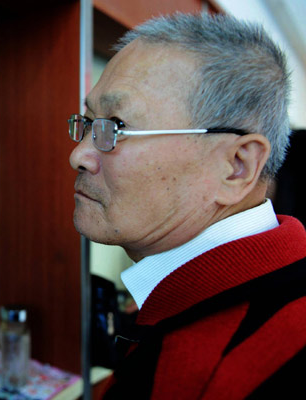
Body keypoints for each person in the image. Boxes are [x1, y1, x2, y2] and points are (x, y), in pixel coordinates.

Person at [68, 13, 306, 399]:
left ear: (236, 166)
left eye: (116, 126)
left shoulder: (270, 363)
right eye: (90, 122)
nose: (79, 155)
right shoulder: (189, 312)